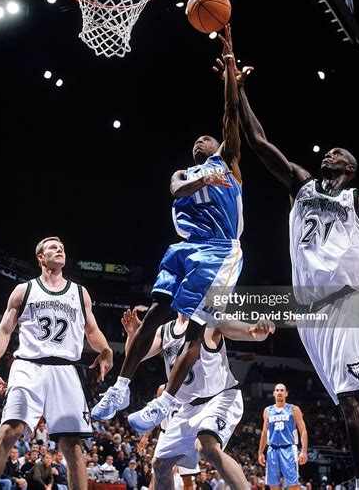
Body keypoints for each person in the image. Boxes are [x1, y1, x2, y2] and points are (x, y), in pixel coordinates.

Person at [221, 57, 359, 489]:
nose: (329, 152)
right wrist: (237, 90)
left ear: (348, 168)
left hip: (345, 306)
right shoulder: (302, 185)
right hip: (309, 314)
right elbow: (258, 141)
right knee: (345, 403)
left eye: (338, 153)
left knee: (352, 400)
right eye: (328, 151)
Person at [92, 25, 244, 434]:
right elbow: (176, 188)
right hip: (184, 247)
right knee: (157, 313)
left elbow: (231, 113)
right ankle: (121, 387)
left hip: (219, 250)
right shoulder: (185, 173)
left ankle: (166, 403)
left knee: (194, 327)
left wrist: (230, 66)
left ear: (218, 147)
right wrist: (200, 181)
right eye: (197, 139)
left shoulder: (228, 164)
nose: (201, 139)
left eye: (207, 138)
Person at [0, 236, 113, 490]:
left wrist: (106, 349)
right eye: (53, 247)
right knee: (9, 432)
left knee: (72, 446)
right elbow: (5, 331)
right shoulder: (24, 290)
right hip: (28, 365)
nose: (60, 249)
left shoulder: (79, 292)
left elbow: (92, 331)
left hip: (65, 369)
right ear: (40, 257)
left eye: (62, 247)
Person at [120, 307, 273, 489]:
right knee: (160, 465)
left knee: (206, 447)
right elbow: (135, 355)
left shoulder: (211, 321)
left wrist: (258, 329)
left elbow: (248, 332)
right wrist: (133, 335)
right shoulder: (165, 330)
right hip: (187, 407)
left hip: (219, 398)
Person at [258, 384, 308, 490]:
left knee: (293, 485)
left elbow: (303, 430)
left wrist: (303, 451)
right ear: (274, 393)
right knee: (273, 485)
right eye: (277, 390)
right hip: (272, 449)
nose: (279, 392)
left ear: (286, 394)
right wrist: (260, 452)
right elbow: (264, 432)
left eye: (282, 390)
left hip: (289, 449)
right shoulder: (267, 410)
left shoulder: (294, 409)